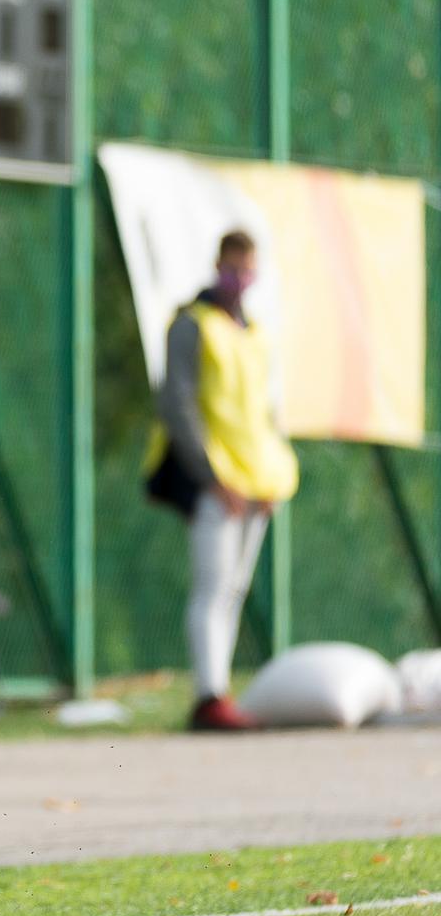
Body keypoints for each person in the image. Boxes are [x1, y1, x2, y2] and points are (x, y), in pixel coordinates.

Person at [145, 231, 299, 731]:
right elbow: (178, 405)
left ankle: (220, 689)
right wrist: (210, 478)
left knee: (234, 590)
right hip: (216, 482)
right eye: (233, 268)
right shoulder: (193, 324)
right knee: (212, 588)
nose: (240, 279)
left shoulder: (255, 333)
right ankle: (208, 695)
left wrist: (272, 478)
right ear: (217, 266)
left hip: (255, 482)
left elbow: (264, 415)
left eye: (247, 270)